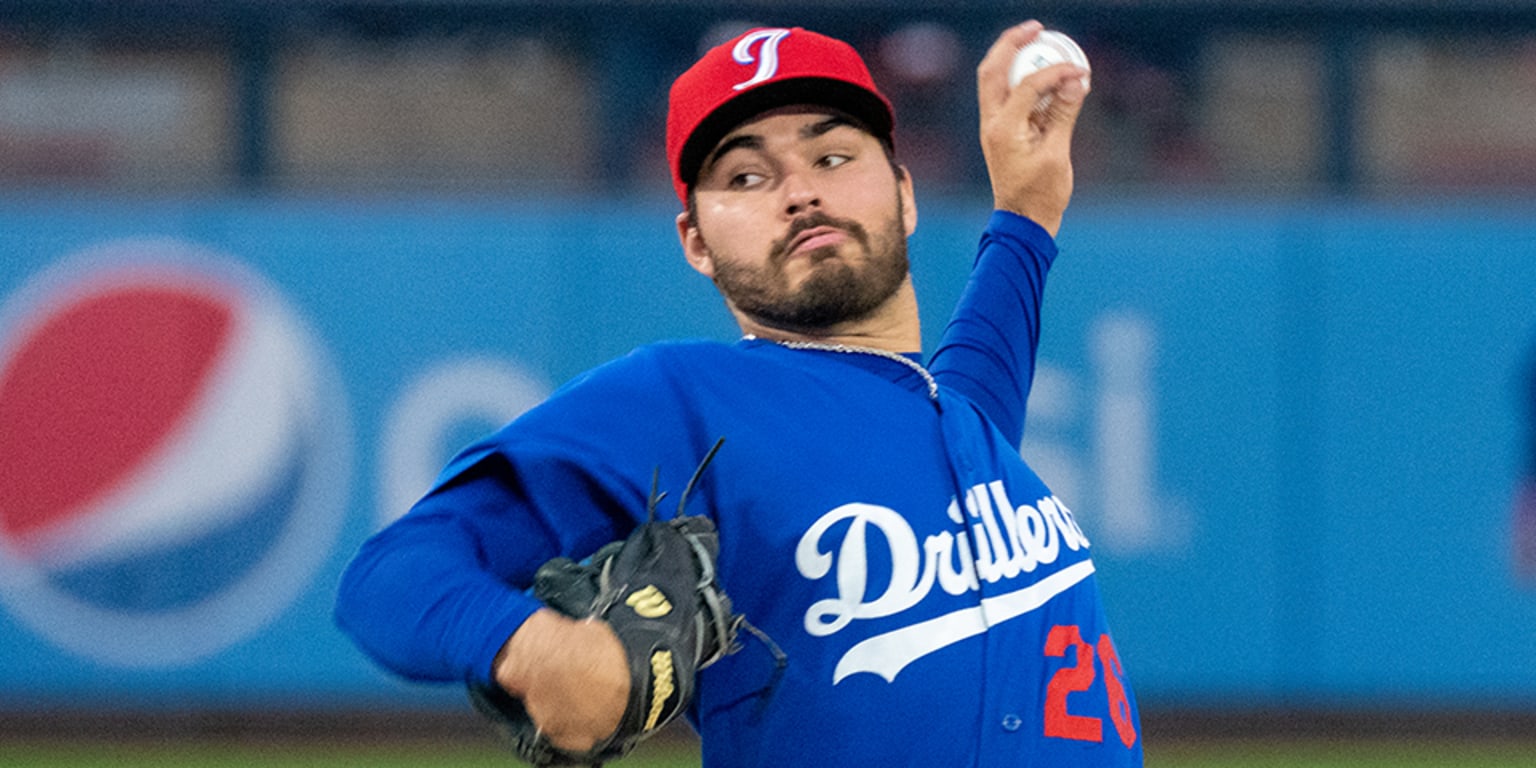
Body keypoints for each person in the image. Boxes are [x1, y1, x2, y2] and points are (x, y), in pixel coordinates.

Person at [335, 20, 1143, 768]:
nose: (799, 192)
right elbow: (390, 574)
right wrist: (534, 647)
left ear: (903, 192)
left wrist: (1028, 211)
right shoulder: (687, 397)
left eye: (832, 157)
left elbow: (974, 385)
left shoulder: (953, 422)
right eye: (747, 176)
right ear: (697, 241)